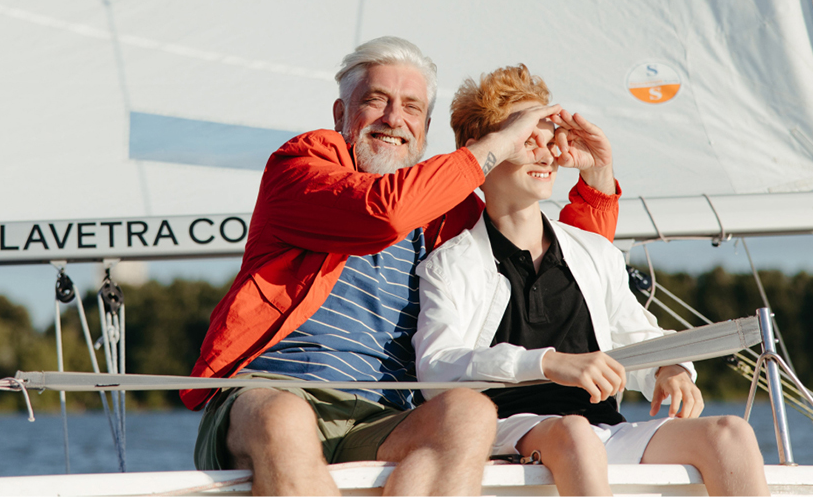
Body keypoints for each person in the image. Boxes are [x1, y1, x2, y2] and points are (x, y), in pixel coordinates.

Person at [181, 37, 621, 495]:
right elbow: (383, 212)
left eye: (411, 107)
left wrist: (596, 178)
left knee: (470, 412)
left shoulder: (445, 211)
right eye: (376, 101)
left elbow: (554, 261)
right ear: (340, 115)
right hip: (271, 393)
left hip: (385, 415)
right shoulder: (299, 167)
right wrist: (501, 139)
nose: (394, 119)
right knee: (285, 419)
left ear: (426, 127)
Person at [414, 64, 770, 496]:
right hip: (507, 432)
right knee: (575, 434)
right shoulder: (450, 264)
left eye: (549, 140)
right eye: (528, 140)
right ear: (483, 151)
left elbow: (636, 337)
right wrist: (546, 363)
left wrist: (668, 368)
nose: (546, 155)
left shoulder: (594, 253)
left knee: (730, 433)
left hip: (601, 430)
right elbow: (435, 370)